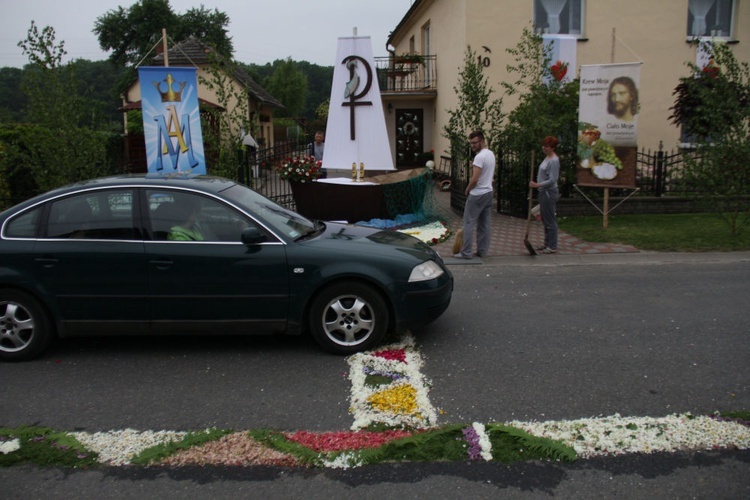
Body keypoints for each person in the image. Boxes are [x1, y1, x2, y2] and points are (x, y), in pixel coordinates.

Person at [454, 130, 495, 259]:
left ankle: (466, 252)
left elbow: (475, 179)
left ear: (482, 141)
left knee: (469, 223)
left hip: (478, 193)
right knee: (484, 223)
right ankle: (482, 251)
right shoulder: (490, 154)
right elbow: (485, 171)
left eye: (475, 143)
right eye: (471, 143)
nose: (472, 145)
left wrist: (467, 189)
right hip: (488, 191)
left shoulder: (479, 157)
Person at [529, 136, 560, 254]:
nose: (544, 148)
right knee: (545, 219)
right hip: (543, 191)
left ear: (552, 148)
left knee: (550, 219)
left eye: (546, 146)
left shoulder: (554, 161)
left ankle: (552, 246)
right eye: (543, 145)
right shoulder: (547, 158)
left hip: (548, 192)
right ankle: (546, 243)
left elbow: (552, 179)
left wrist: (538, 185)